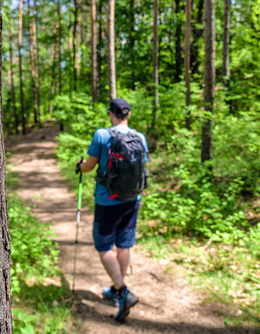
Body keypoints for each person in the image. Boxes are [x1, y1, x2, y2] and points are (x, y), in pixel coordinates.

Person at [76, 98, 149, 322]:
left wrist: (80, 166)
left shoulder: (102, 135)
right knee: (123, 244)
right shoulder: (140, 137)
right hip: (132, 199)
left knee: (104, 245)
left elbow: (89, 166)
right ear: (127, 115)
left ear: (111, 114)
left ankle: (123, 291)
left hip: (108, 201)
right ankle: (118, 291)